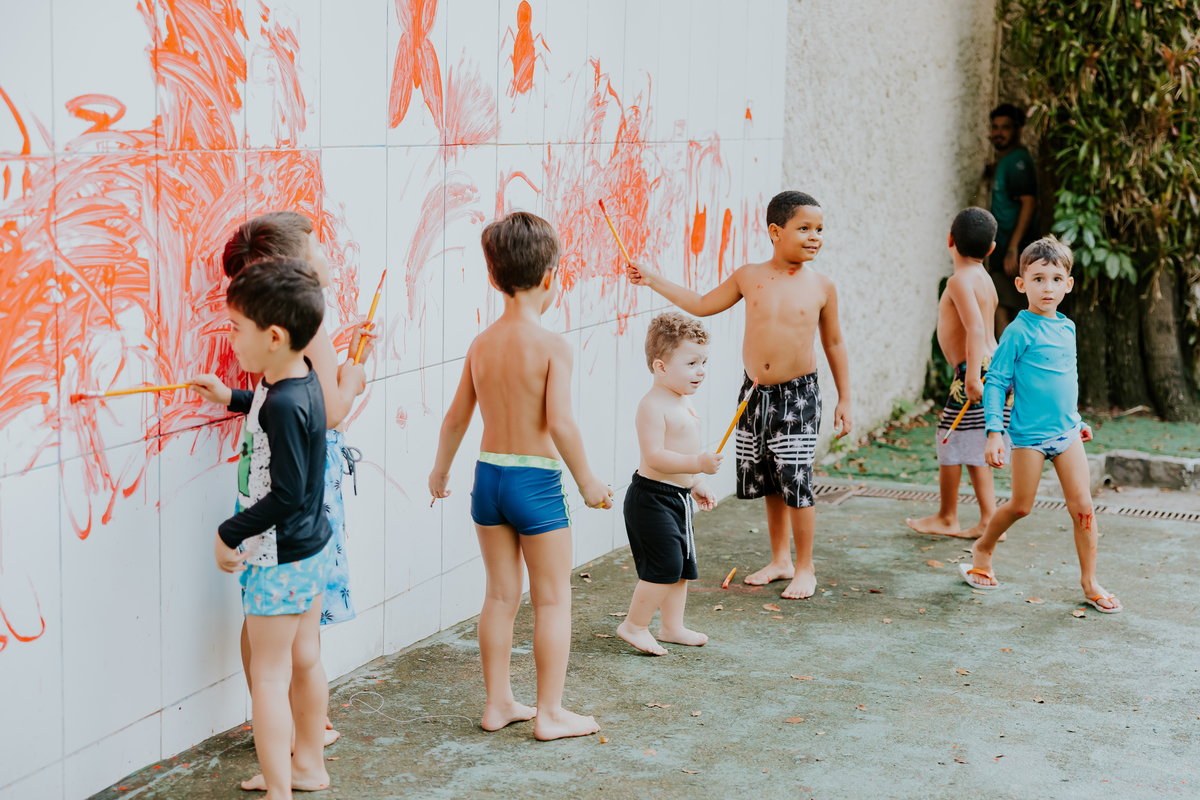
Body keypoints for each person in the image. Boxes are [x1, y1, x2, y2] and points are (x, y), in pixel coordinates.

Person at [428, 211, 612, 740]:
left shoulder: (481, 344)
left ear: (492, 276)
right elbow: (560, 423)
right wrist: (589, 482)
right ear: (551, 276)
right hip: (535, 483)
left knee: (499, 596)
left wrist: (440, 471)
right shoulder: (553, 346)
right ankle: (550, 713)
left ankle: (498, 703)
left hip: (488, 480)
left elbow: (456, 417)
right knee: (552, 598)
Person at [627, 191, 852, 601]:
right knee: (770, 478)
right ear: (775, 232)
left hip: (798, 395)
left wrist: (846, 398)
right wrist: (652, 278)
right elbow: (700, 303)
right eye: (804, 229)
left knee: (796, 479)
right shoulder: (749, 275)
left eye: (820, 230)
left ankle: (805, 567)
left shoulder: (822, 286)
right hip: (754, 393)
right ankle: (780, 559)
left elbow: (834, 343)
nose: (814, 237)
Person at [218, 212, 375, 747]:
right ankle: (301, 732)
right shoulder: (314, 327)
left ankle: (279, 726)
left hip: (270, 503)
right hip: (308, 488)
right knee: (301, 631)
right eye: (318, 247)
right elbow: (330, 411)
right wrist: (352, 380)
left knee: (264, 617)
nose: (327, 256)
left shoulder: (272, 329)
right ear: (292, 268)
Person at [191, 258, 334, 797]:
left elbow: (288, 493)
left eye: (234, 328)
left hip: (279, 557)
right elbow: (276, 413)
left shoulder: (284, 399)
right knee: (305, 659)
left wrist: (230, 531)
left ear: (273, 336)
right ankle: (308, 768)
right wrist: (231, 398)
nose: (229, 339)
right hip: (310, 550)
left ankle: (280, 789)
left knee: (270, 677)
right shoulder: (297, 380)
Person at [962, 236, 1122, 614]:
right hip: (1029, 438)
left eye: (1054, 278)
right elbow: (997, 383)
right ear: (1022, 284)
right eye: (1037, 279)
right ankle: (983, 549)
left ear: (1068, 284)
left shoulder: (1068, 328)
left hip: (1067, 434)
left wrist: (1077, 419)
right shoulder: (1019, 331)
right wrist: (993, 433)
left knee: (1083, 505)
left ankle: (1090, 582)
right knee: (1021, 506)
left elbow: (1067, 376)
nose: (1046, 287)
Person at [616, 312, 720, 656]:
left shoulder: (681, 399)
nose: (701, 371)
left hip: (677, 496)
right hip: (651, 498)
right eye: (691, 363)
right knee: (664, 566)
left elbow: (683, 449)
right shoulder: (652, 405)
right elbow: (656, 456)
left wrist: (695, 482)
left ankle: (672, 626)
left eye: (703, 362)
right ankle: (634, 625)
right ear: (661, 367)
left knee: (682, 566)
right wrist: (697, 464)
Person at [907, 208, 1013, 539]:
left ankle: (947, 517)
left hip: (974, 370)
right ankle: (988, 519)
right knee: (974, 441)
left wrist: (969, 378)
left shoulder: (958, 280)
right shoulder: (986, 280)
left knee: (949, 437)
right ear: (992, 249)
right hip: (992, 367)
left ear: (950, 240)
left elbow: (976, 328)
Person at [987, 103, 1039, 334]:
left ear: (1018, 130)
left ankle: (1008, 367)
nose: (998, 133)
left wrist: (1014, 247)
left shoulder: (1018, 162)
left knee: (1006, 309)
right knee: (1000, 306)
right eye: (995, 127)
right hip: (1003, 248)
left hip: (1013, 249)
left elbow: (1029, 203)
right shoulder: (1007, 161)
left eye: (1005, 128)